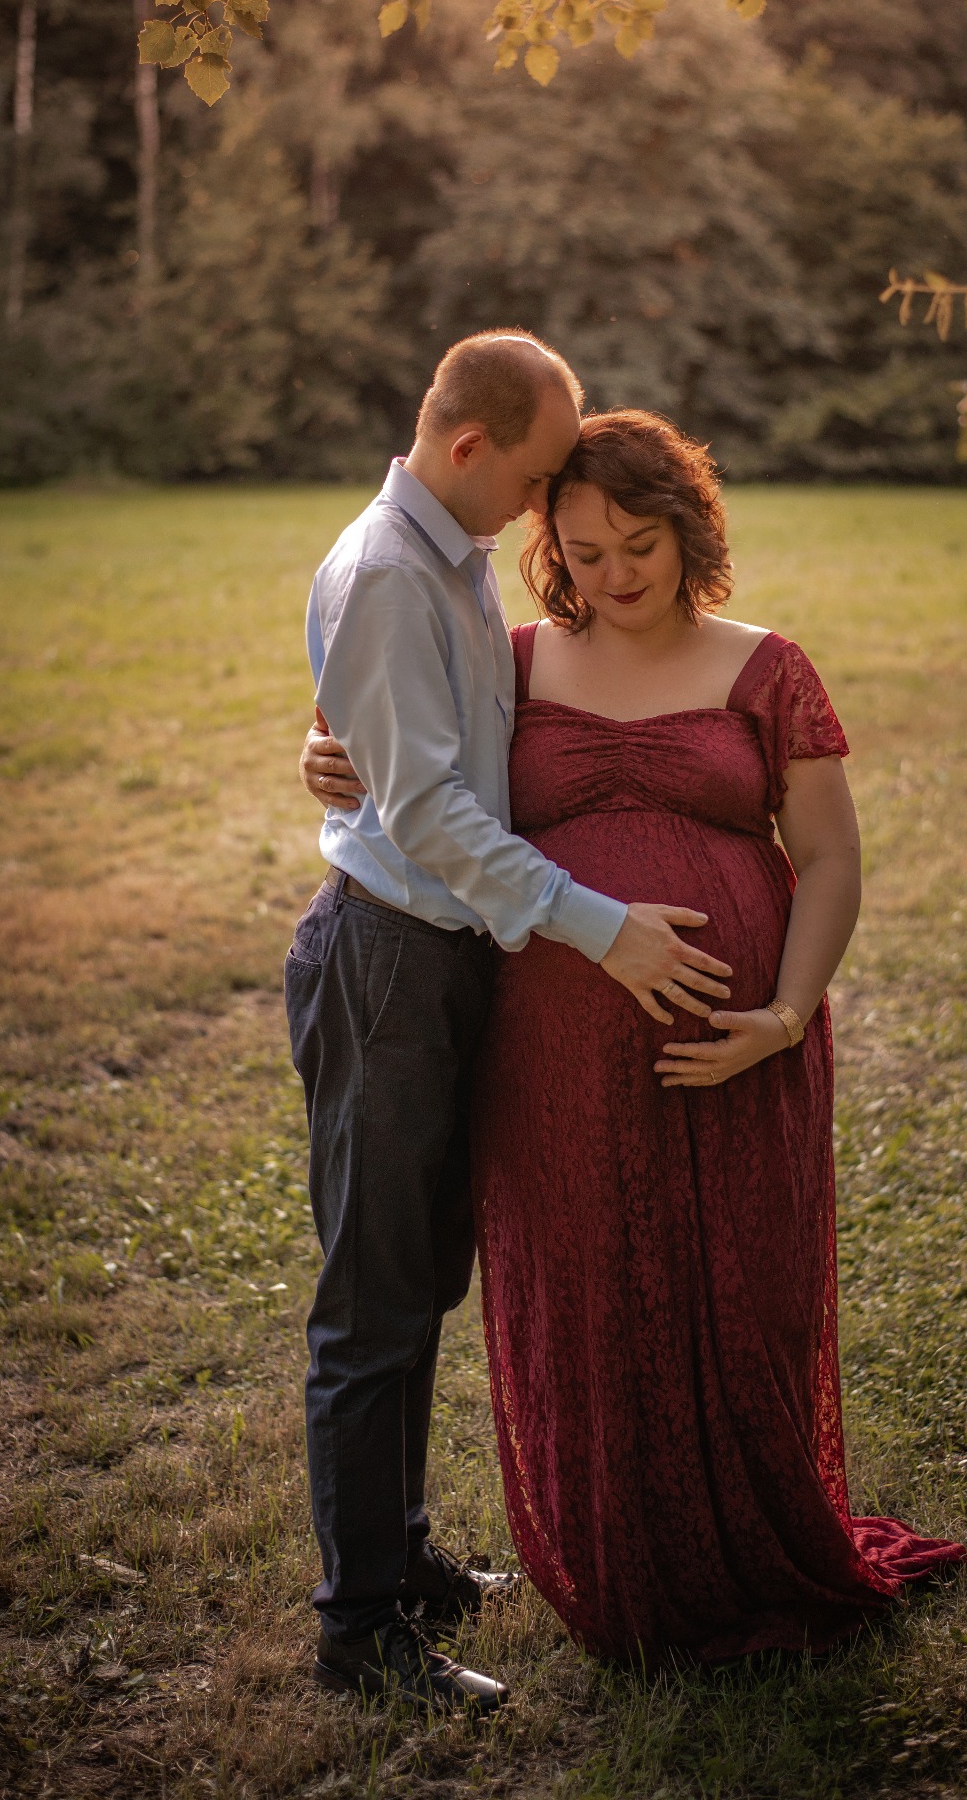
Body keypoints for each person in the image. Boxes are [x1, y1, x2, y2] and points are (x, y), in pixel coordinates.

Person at [305, 408, 965, 1665]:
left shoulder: (767, 666)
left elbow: (828, 858)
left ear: (690, 529)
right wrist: (323, 755)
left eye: (638, 545)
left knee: (738, 1296)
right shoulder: (514, 662)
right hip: (553, 1062)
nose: (612, 575)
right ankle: (618, 1555)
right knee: (591, 1300)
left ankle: (752, 1538)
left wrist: (780, 1017)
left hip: (736, 1048)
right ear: (549, 544)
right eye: (584, 549)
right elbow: (404, 755)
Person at [287, 336, 735, 1713]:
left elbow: (424, 752)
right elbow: (423, 812)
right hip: (388, 963)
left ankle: (408, 1560)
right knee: (372, 1302)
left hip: (446, 957)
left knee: (420, 1278)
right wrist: (604, 925)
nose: (551, 510)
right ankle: (360, 1628)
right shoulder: (386, 572)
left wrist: (343, 764)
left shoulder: (453, 562)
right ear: (472, 449)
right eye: (541, 475)